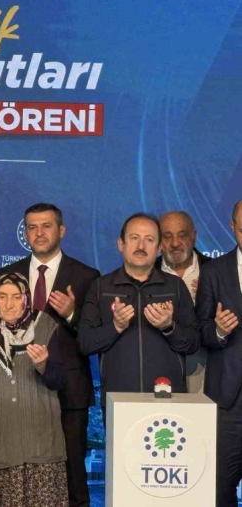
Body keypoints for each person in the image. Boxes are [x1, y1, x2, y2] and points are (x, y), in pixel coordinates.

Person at [0, 203, 99, 507]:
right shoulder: (7, 275)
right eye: (32, 227)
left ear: (61, 230)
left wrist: (71, 315)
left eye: (46, 226)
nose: (39, 233)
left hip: (69, 391)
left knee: (74, 478)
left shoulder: (86, 276)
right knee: (20, 475)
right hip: (19, 389)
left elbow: (94, 337)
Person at [0, 273, 68, 507]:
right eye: (2, 296)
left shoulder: (45, 326)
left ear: (26, 299)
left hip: (38, 448)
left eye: (16, 297)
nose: (9, 304)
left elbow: (60, 381)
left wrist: (43, 366)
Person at [78, 213, 199, 407]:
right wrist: (116, 327)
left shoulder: (175, 286)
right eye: (134, 238)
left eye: (149, 240)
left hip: (167, 400)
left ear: (159, 248)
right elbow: (85, 344)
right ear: (121, 244)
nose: (141, 246)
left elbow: (192, 343)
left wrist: (169, 327)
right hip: (118, 402)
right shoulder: (101, 287)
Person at [196, 200, 242, 507]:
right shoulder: (213, 271)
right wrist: (220, 331)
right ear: (232, 226)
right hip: (228, 403)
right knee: (218, 490)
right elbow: (201, 330)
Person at [157, 210, 211, 394]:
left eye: (182, 235)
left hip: (207, 370)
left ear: (193, 236)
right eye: (167, 236)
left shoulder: (216, 271)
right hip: (160, 371)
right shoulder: (146, 273)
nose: (175, 243)